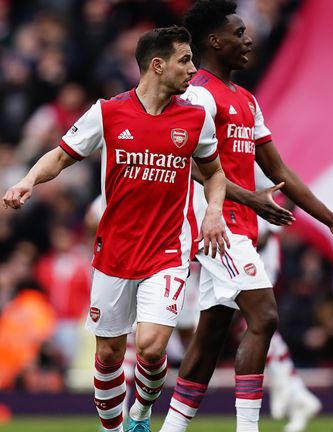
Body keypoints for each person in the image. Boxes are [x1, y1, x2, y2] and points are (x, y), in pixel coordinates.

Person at [159, 2, 333, 432]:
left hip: (241, 225)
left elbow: (279, 171)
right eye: (239, 33)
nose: (249, 39)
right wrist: (251, 200)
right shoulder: (198, 95)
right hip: (214, 225)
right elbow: (192, 168)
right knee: (264, 315)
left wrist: (330, 219)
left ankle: (171, 428)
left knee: (210, 336)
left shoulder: (246, 99)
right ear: (214, 41)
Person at [3, 26, 230, 432]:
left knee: (151, 345)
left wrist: (213, 211)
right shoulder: (108, 112)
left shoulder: (197, 118)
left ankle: (140, 413)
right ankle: (113, 429)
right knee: (108, 354)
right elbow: (60, 156)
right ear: (157, 66)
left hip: (167, 251)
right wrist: (28, 181)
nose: (193, 70)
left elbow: (214, 174)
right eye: (185, 60)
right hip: (114, 252)